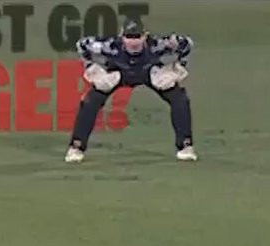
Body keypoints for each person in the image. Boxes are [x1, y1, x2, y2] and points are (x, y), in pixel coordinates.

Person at [64, 18, 196, 163]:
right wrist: (92, 68)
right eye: (129, 37)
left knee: (180, 99)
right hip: (116, 74)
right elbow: (82, 45)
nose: (133, 42)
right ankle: (76, 146)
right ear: (122, 37)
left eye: (137, 37)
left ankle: (185, 145)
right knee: (89, 102)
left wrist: (177, 69)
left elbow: (186, 44)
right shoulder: (109, 46)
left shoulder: (158, 45)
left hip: (150, 74)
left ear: (145, 36)